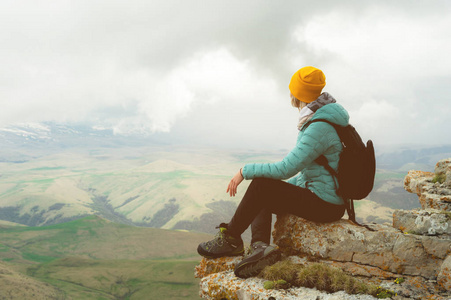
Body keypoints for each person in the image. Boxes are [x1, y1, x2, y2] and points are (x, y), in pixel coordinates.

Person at [197, 66, 348, 278]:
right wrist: (279, 189)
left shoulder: (318, 127)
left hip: (326, 205)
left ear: (297, 94)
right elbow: (309, 172)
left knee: (262, 184)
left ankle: (231, 239)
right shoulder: (323, 118)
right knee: (265, 188)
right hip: (325, 198)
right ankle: (260, 247)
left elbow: (285, 169)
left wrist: (244, 171)